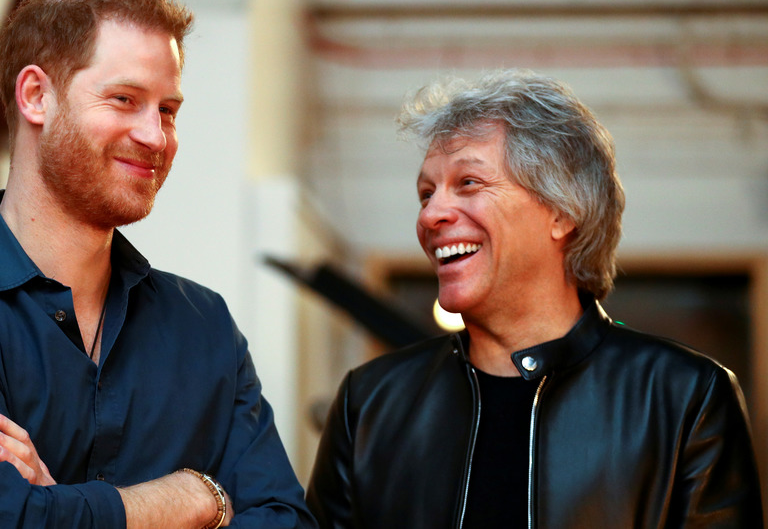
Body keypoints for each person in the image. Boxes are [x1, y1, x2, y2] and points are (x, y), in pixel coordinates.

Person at [0, 0, 315, 528]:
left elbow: (287, 521)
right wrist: (194, 501)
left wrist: (60, 511)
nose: (156, 137)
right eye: (124, 99)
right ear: (35, 96)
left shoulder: (204, 325)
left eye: (167, 110)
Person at [305, 69, 763, 528]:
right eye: (426, 193)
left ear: (563, 212)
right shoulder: (367, 406)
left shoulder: (685, 398)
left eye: (468, 183)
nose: (431, 215)